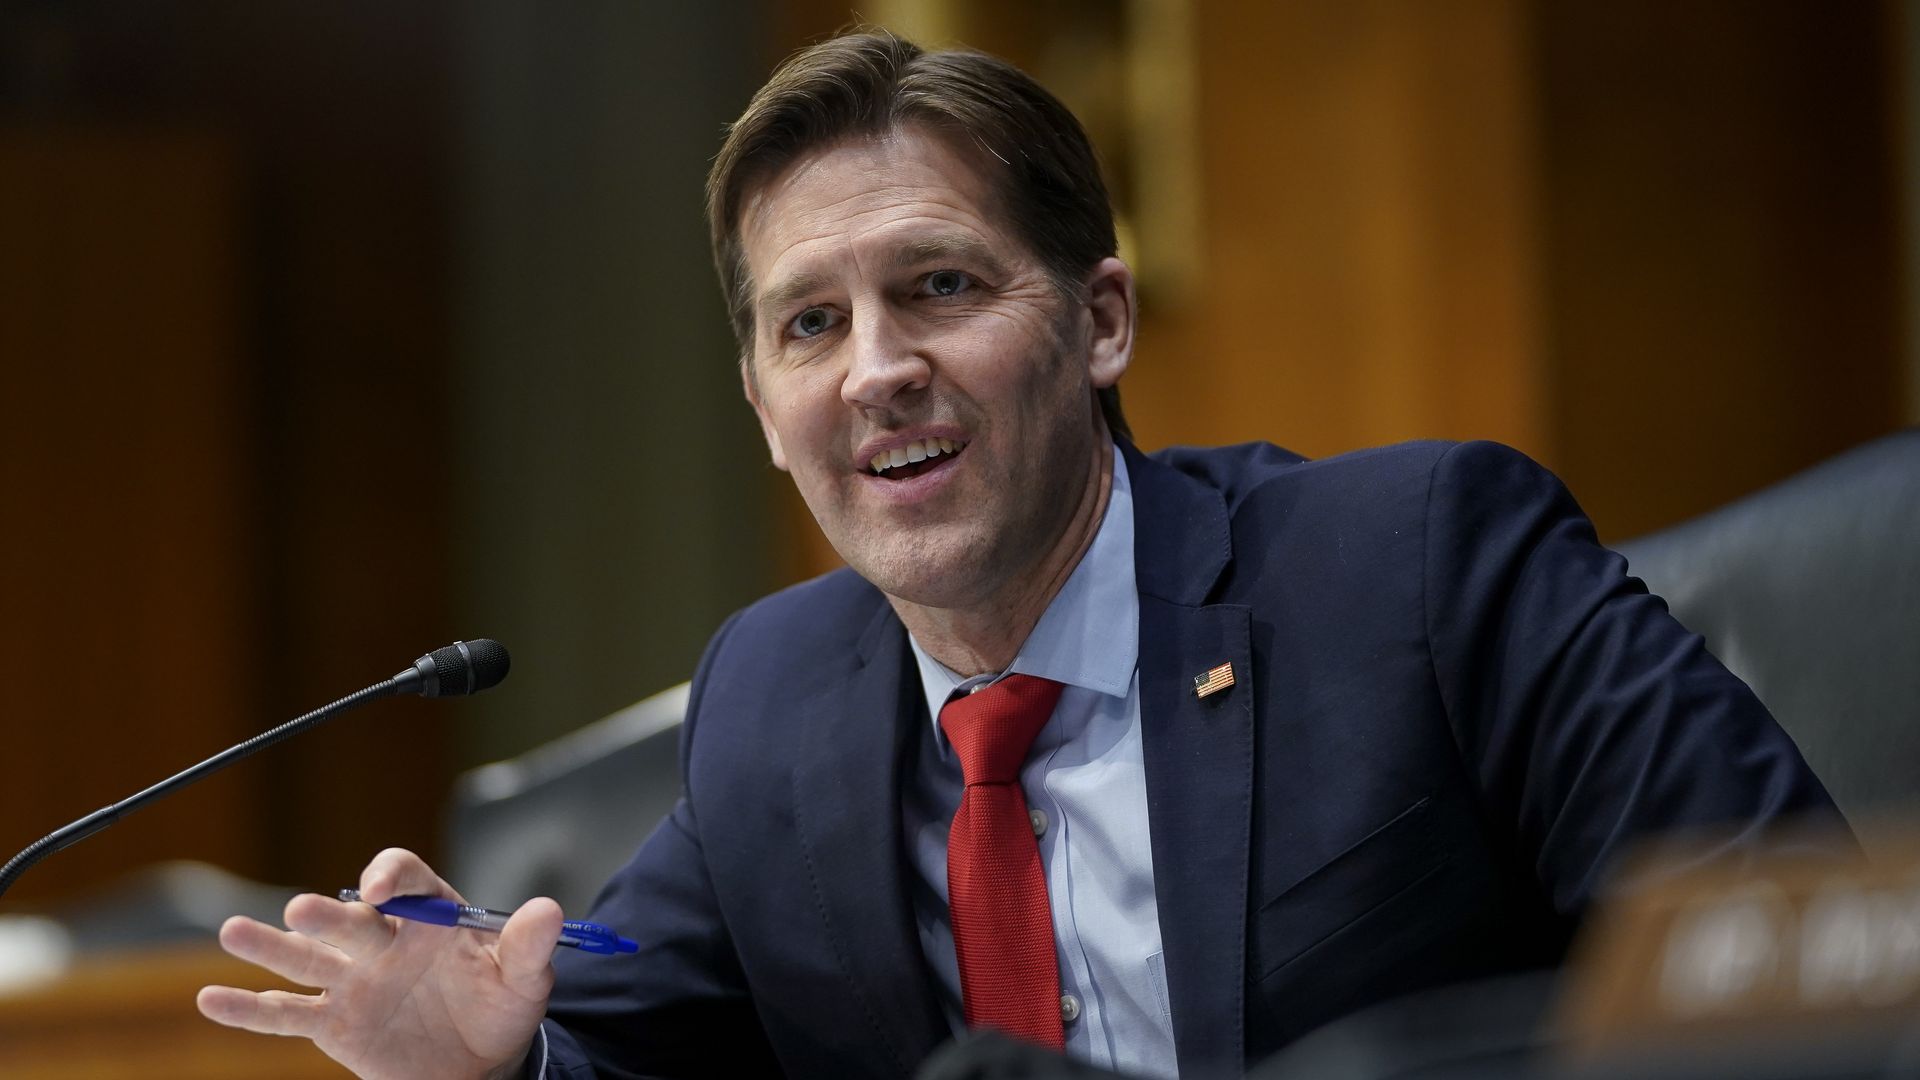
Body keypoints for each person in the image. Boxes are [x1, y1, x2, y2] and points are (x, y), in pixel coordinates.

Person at [196, 30, 1845, 1080]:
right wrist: (504, 1067)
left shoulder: (1416, 568)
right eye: (810, 324)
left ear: (1099, 320)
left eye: (940, 287)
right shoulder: (774, 704)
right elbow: (632, 1050)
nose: (877, 371)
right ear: (762, 408)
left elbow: (1800, 968)